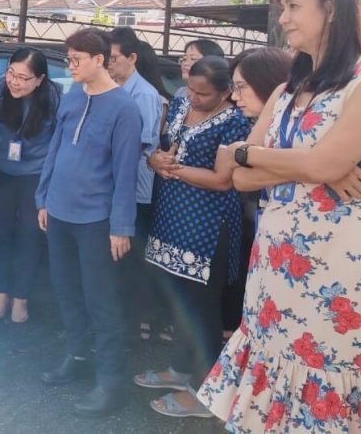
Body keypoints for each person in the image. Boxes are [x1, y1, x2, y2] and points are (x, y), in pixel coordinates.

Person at [198, 0, 361, 433]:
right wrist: (290, 161)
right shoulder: (287, 90)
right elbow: (241, 179)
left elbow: (319, 166)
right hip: (275, 259)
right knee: (272, 366)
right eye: (282, 9)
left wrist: (253, 153)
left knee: (329, 375)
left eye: (294, 6)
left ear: (331, 6)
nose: (284, 19)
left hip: (338, 265)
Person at [135, 56, 251, 418]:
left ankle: (203, 390)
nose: (194, 97)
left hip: (205, 227)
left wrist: (175, 169)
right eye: (191, 88)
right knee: (179, 302)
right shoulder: (183, 102)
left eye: (204, 93)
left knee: (202, 310)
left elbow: (222, 179)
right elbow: (164, 143)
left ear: (225, 92)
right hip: (171, 218)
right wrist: (154, 159)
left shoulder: (235, 122)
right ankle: (180, 369)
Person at [36, 29, 141, 417]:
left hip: (96, 221)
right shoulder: (72, 95)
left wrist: (121, 226)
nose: (72, 66)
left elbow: (125, 171)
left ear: (101, 60)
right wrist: (43, 197)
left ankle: (112, 383)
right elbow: (55, 148)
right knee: (66, 290)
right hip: (59, 213)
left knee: (102, 301)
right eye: (69, 59)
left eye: (77, 59)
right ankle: (78, 357)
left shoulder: (125, 108)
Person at [0, 47, 61, 324]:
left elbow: (59, 143)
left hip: (35, 175)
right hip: (0, 170)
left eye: (23, 78)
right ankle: (0, 296)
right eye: (11, 74)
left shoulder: (53, 98)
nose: (15, 82)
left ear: (40, 80)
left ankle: (21, 299)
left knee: (29, 235)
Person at [223, 47, 292, 335]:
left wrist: (248, 155)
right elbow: (239, 176)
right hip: (271, 238)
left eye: (241, 87)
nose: (234, 97)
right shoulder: (266, 124)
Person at [106, 27, 166, 340]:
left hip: (135, 191)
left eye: (114, 58)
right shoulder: (113, 88)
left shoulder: (143, 94)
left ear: (132, 58)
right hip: (114, 189)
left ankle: (129, 331)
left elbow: (143, 144)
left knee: (128, 263)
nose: (109, 64)